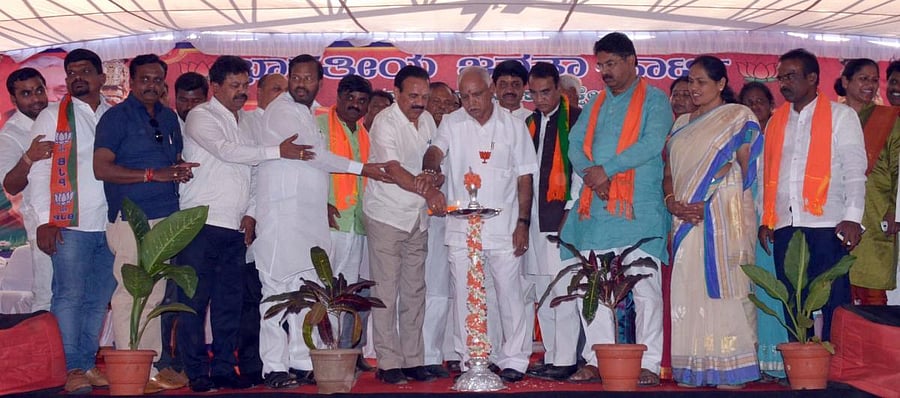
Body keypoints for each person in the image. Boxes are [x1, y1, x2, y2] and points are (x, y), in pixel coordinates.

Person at [254, 54, 390, 389]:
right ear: (289, 79)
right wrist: (364, 169)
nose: (301, 84)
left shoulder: (306, 113)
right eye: (296, 78)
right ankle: (273, 367)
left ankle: (301, 362)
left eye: (308, 78)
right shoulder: (283, 110)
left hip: (308, 221)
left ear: (319, 82)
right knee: (275, 293)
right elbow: (314, 156)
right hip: (281, 220)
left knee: (307, 294)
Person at [176, 56, 311, 392]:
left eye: (244, 85)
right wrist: (277, 151)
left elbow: (255, 174)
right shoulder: (200, 116)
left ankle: (224, 368)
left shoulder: (250, 123)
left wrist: (251, 212)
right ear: (215, 87)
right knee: (194, 301)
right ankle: (196, 372)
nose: (241, 92)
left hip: (235, 227)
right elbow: (228, 151)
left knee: (228, 304)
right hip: (199, 223)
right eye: (234, 86)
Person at [558, 32, 670, 386]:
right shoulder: (595, 104)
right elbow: (575, 144)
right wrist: (593, 176)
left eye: (611, 64)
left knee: (645, 289)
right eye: (600, 65)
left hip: (639, 208)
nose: (604, 71)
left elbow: (652, 144)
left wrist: (606, 170)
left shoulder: (655, 100)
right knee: (591, 287)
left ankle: (649, 362)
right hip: (596, 210)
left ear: (631, 61)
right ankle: (595, 358)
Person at [422, 65, 538, 383]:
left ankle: (514, 359)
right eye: (465, 96)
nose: (471, 102)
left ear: (491, 92)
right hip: (462, 228)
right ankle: (470, 357)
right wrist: (430, 170)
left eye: (476, 94)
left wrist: (523, 223)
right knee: (465, 294)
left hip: (505, 227)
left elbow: (525, 177)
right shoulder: (452, 122)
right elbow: (434, 151)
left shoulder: (514, 127)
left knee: (510, 294)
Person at [94, 53, 198, 393]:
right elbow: (102, 169)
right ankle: (129, 363)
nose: (151, 85)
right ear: (130, 81)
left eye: (157, 80)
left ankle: (148, 367)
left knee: (153, 293)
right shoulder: (115, 118)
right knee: (130, 292)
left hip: (166, 214)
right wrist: (154, 175)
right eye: (144, 79)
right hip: (132, 218)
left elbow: (172, 161)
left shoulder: (169, 118)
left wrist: (180, 170)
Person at [665, 55, 762, 388]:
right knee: (689, 289)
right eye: (690, 81)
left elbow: (747, 170)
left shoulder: (737, 116)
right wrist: (674, 204)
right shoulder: (680, 124)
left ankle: (731, 367)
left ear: (721, 84)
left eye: (701, 82)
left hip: (723, 218)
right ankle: (695, 364)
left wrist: (711, 198)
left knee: (728, 287)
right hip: (685, 219)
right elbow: (669, 173)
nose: (693, 88)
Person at [758, 48, 865, 343]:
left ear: (813, 78)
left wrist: (853, 218)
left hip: (828, 223)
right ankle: (800, 367)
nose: (783, 84)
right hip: (786, 224)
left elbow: (855, 171)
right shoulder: (776, 122)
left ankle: (835, 369)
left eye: (790, 76)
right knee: (793, 302)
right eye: (780, 78)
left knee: (834, 300)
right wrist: (767, 219)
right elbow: (767, 175)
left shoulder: (841, 116)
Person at [28, 48, 118, 394]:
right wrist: (44, 221)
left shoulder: (114, 115)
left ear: (101, 78)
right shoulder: (53, 116)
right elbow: (40, 171)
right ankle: (70, 367)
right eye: (71, 73)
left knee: (98, 299)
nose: (76, 77)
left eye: (84, 71)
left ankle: (85, 361)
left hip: (109, 222)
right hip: (69, 224)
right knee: (67, 296)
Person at [364, 65, 441, 384]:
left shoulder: (428, 121)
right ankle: (388, 362)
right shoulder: (385, 122)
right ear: (396, 94)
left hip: (417, 217)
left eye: (424, 96)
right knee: (386, 290)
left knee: (414, 292)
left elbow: (435, 161)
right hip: (387, 214)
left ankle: (412, 359)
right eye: (413, 96)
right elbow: (393, 169)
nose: (419, 102)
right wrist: (430, 189)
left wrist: (435, 178)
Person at [522, 62, 581, 381]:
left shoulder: (576, 121)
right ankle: (551, 354)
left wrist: (570, 211)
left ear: (558, 88)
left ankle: (568, 358)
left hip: (562, 218)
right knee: (543, 291)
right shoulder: (530, 123)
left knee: (564, 291)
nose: (540, 98)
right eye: (534, 93)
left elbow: (583, 172)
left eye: (546, 92)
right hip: (531, 219)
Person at [314, 74, 377, 372]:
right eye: (349, 98)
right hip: (328, 220)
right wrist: (318, 203)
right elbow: (310, 167)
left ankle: (338, 354)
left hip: (356, 224)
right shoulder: (320, 125)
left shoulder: (364, 133)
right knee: (321, 291)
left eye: (361, 101)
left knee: (344, 295)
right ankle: (315, 355)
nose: (355, 105)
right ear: (337, 97)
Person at [154, 71, 209, 388]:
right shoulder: (168, 124)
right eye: (183, 100)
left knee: (192, 295)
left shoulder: (214, 123)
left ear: (207, 97)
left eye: (196, 100)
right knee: (169, 295)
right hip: (169, 220)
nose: (188, 106)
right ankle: (167, 361)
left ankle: (189, 361)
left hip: (203, 221)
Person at [235, 72, 286, 386]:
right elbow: (254, 174)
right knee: (252, 298)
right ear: (260, 91)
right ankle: (253, 365)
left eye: (285, 89)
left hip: (287, 225)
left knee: (285, 297)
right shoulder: (250, 123)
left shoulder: (295, 123)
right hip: (253, 223)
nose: (281, 95)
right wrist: (252, 214)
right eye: (275, 89)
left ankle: (283, 363)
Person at [836, 59, 900, 306]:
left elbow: (898, 169)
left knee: (873, 293)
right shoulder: (833, 117)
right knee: (838, 292)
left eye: (875, 80)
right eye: (863, 78)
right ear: (845, 81)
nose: (870, 85)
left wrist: (895, 209)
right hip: (835, 211)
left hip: (876, 213)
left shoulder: (889, 120)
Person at [738, 81, 786, 381]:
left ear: (771, 105)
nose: (755, 107)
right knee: (753, 291)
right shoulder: (739, 138)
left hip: (779, 223)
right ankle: (758, 360)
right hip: (746, 224)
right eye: (748, 102)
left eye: (760, 101)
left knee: (776, 290)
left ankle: (780, 361)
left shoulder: (783, 134)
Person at [0, 68, 53, 314]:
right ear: (14, 99)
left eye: (39, 90)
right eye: (26, 94)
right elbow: (10, 185)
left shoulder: (58, 117)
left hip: (79, 218)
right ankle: (45, 351)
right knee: (47, 294)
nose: (35, 99)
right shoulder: (10, 136)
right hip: (41, 223)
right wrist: (29, 157)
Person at [421, 80, 459, 378]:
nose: (444, 109)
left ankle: (452, 352)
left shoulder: (460, 129)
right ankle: (428, 354)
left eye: (449, 104)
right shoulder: (420, 130)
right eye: (437, 103)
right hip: (427, 219)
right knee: (432, 289)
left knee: (455, 290)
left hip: (457, 218)